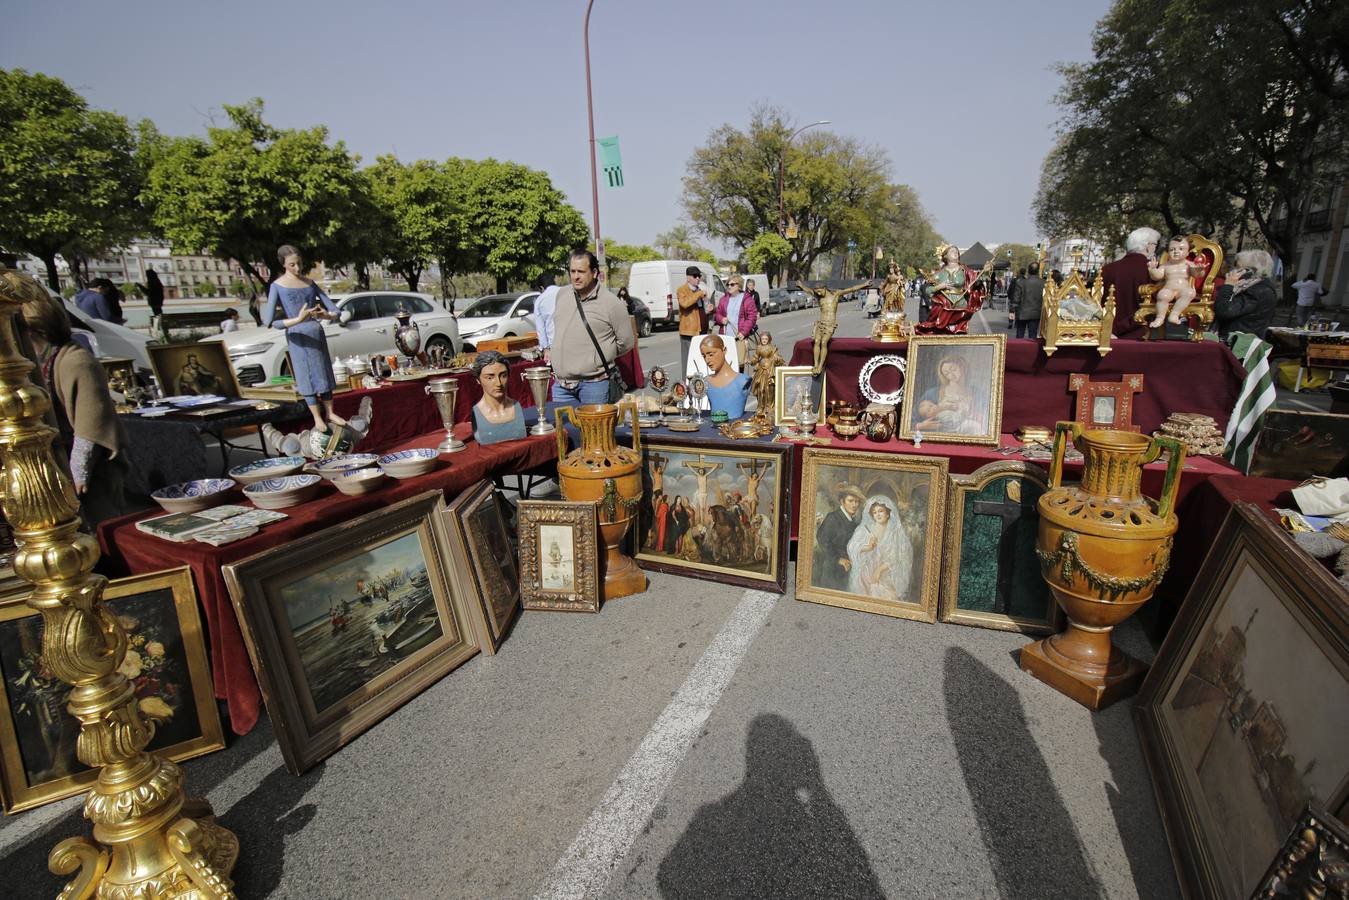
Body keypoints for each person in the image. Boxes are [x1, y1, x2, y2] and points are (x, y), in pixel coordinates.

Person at [17, 284, 130, 529]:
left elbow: (91, 422)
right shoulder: (47, 360)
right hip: (61, 460)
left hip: (93, 468)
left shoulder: (76, 360)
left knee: (104, 525)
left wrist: (78, 471)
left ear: (38, 331)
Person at [264, 244, 346, 433]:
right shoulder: (277, 286)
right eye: (292, 265)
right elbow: (269, 321)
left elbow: (335, 310)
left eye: (299, 263)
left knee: (323, 372)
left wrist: (327, 315)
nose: (297, 268)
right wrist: (297, 319)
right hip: (297, 334)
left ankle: (330, 412)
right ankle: (317, 417)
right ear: (283, 264)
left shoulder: (310, 283)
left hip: (315, 332)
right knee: (306, 376)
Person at [550, 250, 635, 404]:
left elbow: (626, 343)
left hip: (594, 385)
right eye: (572, 271)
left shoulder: (611, 303)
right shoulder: (562, 295)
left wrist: (596, 358)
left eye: (581, 272)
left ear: (594, 273)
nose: (575, 276)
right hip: (561, 386)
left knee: (594, 429)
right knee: (564, 429)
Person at [846, 497, 911, 602]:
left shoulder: (895, 533)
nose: (878, 514)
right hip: (866, 572)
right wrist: (867, 547)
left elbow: (898, 556)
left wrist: (879, 571)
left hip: (886, 573)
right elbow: (852, 547)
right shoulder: (865, 529)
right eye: (875, 512)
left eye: (881, 511)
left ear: (888, 513)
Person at [1101, 226, 1159, 338]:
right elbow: (1152, 307)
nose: (1155, 248)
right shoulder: (1154, 272)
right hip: (1139, 335)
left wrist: (1112, 330)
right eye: (1155, 245)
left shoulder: (1106, 269)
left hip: (1105, 334)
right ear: (1148, 246)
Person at [916, 245, 981, 335]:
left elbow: (976, 284)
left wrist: (982, 275)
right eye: (952, 251)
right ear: (945, 256)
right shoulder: (938, 274)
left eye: (957, 251)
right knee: (942, 332)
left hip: (960, 305)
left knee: (959, 333)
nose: (956, 253)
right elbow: (927, 291)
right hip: (943, 305)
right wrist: (939, 287)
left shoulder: (966, 272)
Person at [1214, 249, 1279, 339]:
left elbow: (1225, 311)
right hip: (1237, 337)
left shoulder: (1257, 290)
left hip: (1237, 342)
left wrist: (1228, 286)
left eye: (1238, 267)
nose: (1234, 270)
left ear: (1251, 270)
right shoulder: (1254, 286)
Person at [812, 484, 865, 591]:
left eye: (857, 501)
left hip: (847, 569)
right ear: (842, 501)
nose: (854, 505)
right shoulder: (833, 518)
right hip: (832, 568)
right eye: (851, 501)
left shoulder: (854, 523)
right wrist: (838, 559)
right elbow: (822, 540)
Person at [915, 355, 985, 435]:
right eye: (946, 372)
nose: (950, 374)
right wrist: (920, 426)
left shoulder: (978, 393)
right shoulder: (932, 393)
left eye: (953, 370)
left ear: (964, 368)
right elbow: (910, 419)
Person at [470, 350, 527, 444]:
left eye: (503, 376)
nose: (498, 383)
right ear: (478, 380)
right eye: (490, 377)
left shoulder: (516, 407)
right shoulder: (478, 412)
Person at [1147, 235, 1203, 327]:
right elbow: (1157, 276)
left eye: (1181, 249)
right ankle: (1160, 317)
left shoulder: (1189, 264)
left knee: (1189, 292)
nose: (1176, 252)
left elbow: (1196, 275)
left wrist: (1199, 270)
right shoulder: (1165, 266)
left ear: (1188, 252)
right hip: (1169, 289)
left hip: (1183, 290)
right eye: (1172, 249)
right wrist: (1152, 269)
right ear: (1168, 252)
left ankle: (1174, 314)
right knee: (1162, 295)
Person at [700, 334, 751, 418]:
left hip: (735, 427)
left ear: (724, 350)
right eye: (704, 356)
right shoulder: (706, 381)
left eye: (711, 354)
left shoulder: (743, 381)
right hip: (715, 427)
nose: (707, 360)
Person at [713, 275, 759, 362]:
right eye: (728, 285)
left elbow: (752, 317)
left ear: (739, 286)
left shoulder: (747, 299)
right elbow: (717, 314)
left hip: (739, 338)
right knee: (726, 364)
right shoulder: (723, 299)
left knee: (738, 365)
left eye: (732, 284)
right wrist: (721, 319)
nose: (729, 286)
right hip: (725, 338)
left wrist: (744, 332)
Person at [676, 266, 707, 380]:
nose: (698, 278)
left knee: (699, 359)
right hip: (688, 331)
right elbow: (685, 303)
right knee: (688, 360)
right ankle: (686, 385)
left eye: (699, 276)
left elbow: (699, 308)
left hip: (700, 330)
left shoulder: (698, 290)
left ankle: (699, 384)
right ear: (688, 277)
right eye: (695, 276)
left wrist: (709, 308)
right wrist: (698, 294)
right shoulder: (682, 290)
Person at [747, 330, 785, 419]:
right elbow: (756, 357)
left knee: (770, 389)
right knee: (761, 390)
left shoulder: (772, 348)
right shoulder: (759, 347)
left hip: (770, 371)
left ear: (769, 339)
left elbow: (777, 356)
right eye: (762, 338)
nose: (764, 340)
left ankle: (770, 407)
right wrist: (751, 361)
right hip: (761, 370)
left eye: (766, 339)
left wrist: (776, 358)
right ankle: (761, 407)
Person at [1008, 263, 1045, 339]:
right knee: (1033, 336)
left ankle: (1019, 349)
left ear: (1028, 271)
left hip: (1022, 312)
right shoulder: (1044, 283)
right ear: (1038, 271)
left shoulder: (1021, 282)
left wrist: (1012, 311)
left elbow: (1016, 298)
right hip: (1036, 313)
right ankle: (1032, 350)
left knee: (1020, 334)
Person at [533, 272, 560, 364]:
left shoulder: (540, 300)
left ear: (541, 287)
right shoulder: (567, 292)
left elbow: (541, 328)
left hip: (554, 345)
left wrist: (545, 349)